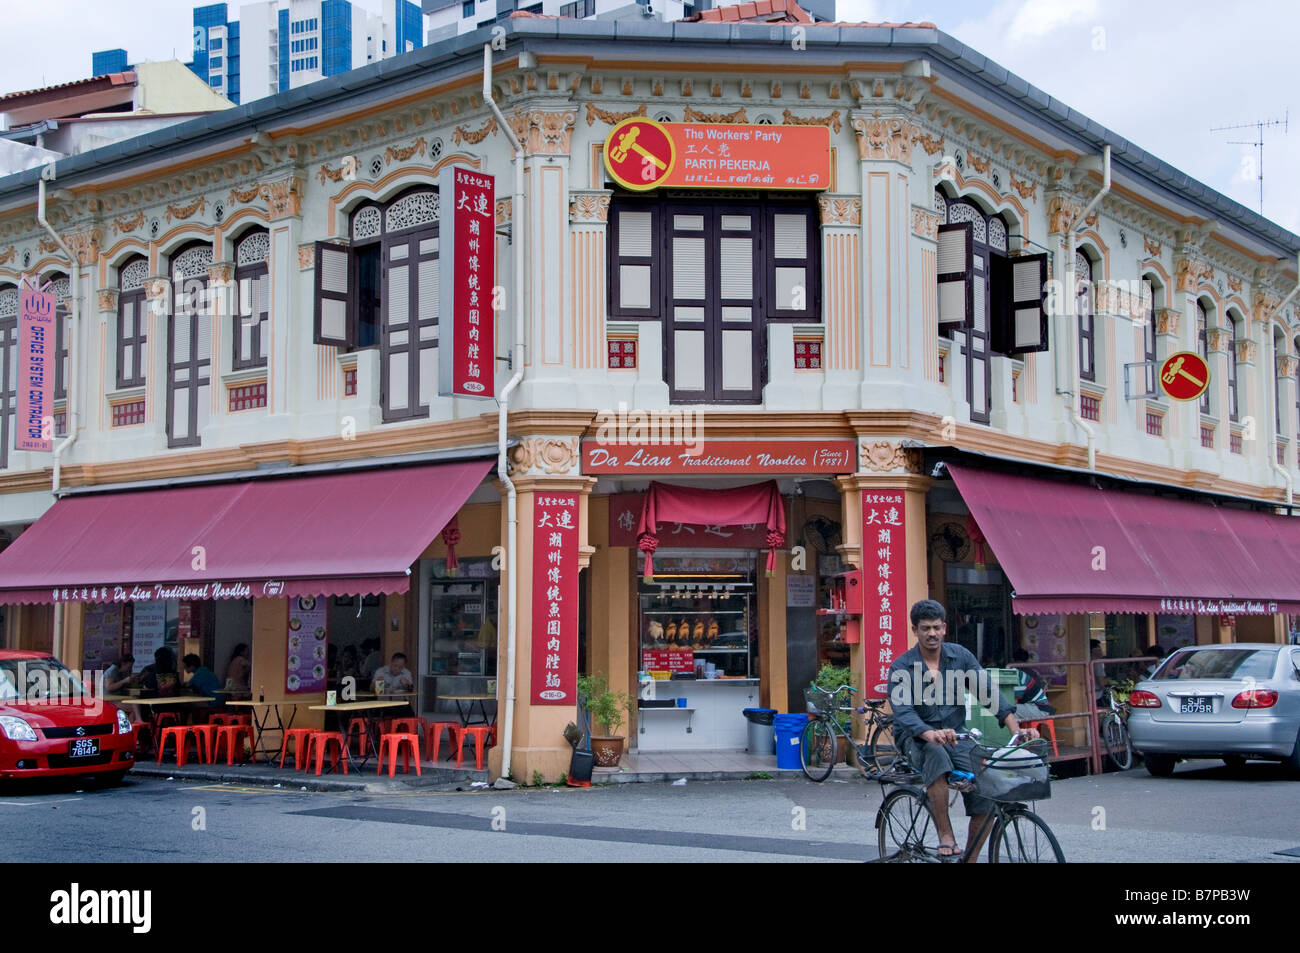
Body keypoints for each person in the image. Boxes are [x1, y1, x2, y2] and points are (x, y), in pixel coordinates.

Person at [888, 600, 1036, 861]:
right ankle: (946, 834)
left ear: (944, 628)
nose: (931, 633)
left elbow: (989, 694)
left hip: (957, 734)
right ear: (915, 630)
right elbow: (904, 713)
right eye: (925, 628)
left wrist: (1017, 728)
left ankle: (970, 859)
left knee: (986, 784)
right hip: (916, 738)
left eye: (936, 627)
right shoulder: (902, 667)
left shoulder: (960, 657)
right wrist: (927, 733)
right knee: (936, 755)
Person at [1011, 648, 1054, 720]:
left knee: (1009, 711)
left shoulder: (1018, 673)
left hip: (1038, 708)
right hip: (1039, 707)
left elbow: (1015, 701)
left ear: (1012, 659)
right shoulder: (1032, 673)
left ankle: (1015, 731)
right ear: (1027, 660)